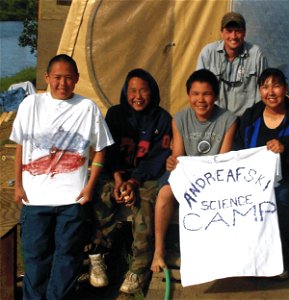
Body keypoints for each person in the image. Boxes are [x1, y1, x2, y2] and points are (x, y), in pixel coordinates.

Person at [10, 54, 114, 300]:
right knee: (35, 259)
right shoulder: (30, 105)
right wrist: (18, 185)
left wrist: (90, 186)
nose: (62, 83)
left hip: (72, 201)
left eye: (68, 78)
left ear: (77, 79)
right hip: (35, 200)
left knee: (67, 258)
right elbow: (20, 147)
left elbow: (101, 148)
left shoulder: (87, 108)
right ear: (47, 78)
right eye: (57, 77)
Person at [87, 69, 172, 294]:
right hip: (116, 174)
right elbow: (109, 152)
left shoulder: (162, 119)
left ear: (152, 92)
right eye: (133, 90)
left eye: (143, 90)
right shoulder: (115, 115)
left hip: (145, 178)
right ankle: (97, 253)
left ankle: (138, 266)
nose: (138, 96)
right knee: (100, 195)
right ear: (125, 92)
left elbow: (157, 159)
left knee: (144, 202)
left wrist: (133, 183)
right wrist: (118, 180)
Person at [234, 68, 289, 276]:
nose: (270, 92)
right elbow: (237, 151)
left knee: (278, 198)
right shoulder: (250, 116)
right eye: (265, 87)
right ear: (259, 91)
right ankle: (246, 258)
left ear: (285, 89)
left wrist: (285, 151)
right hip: (252, 181)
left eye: (276, 85)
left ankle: (278, 259)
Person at [150, 69, 237, 273]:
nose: (201, 99)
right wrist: (172, 162)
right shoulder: (179, 118)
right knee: (164, 193)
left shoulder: (229, 119)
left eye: (206, 94)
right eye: (195, 94)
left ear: (215, 96)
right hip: (187, 172)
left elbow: (223, 158)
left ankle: (211, 253)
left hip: (214, 175)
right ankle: (159, 251)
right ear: (189, 95)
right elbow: (179, 155)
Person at [196, 11, 268, 116]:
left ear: (244, 33)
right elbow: (199, 87)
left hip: (246, 119)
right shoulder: (208, 53)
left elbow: (264, 87)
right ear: (221, 32)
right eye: (229, 31)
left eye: (238, 31)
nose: (233, 36)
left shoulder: (256, 54)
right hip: (215, 117)